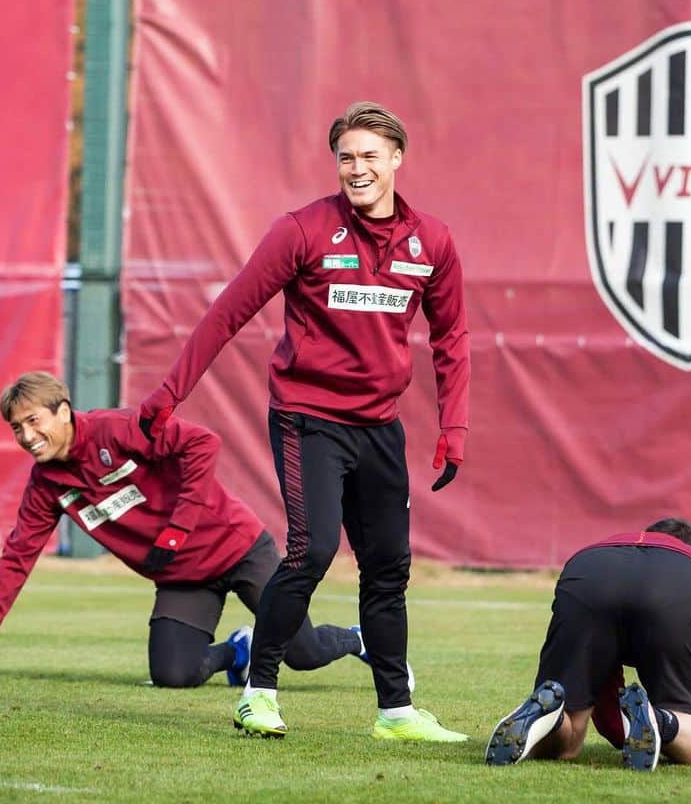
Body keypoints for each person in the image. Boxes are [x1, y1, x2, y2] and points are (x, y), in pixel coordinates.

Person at [139, 101, 470, 742]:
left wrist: (453, 429)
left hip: (380, 426)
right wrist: (166, 394)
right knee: (311, 550)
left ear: (397, 159)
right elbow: (226, 314)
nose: (357, 168)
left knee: (388, 566)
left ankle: (396, 712)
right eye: (346, 156)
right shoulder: (302, 230)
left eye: (371, 155)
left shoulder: (432, 241)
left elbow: (452, 335)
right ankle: (258, 693)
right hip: (307, 419)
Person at [0, 372, 371, 694]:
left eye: (33, 421)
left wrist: (176, 532)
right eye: (16, 428)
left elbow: (203, 443)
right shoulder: (47, 484)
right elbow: (16, 561)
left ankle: (358, 637)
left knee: (304, 655)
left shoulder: (114, 430)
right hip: (182, 577)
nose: (26, 436)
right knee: (174, 675)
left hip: (238, 549)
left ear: (63, 411)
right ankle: (240, 651)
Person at [485, 518, 691, 771]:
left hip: (588, 570)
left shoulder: (613, 546)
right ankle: (661, 720)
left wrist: (616, 731)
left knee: (570, 740)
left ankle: (547, 719)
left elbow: (598, 671)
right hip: (679, 593)